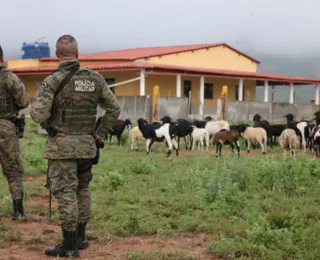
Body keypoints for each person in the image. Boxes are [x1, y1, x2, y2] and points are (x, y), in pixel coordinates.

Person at [30, 35, 121, 258]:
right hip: (87, 146)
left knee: (66, 193)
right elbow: (114, 109)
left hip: (62, 147)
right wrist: (100, 135)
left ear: (56, 55)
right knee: (83, 189)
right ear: (78, 53)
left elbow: (38, 114)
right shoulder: (96, 79)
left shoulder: (53, 80)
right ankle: (80, 237)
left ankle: (69, 246)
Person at [0, 45, 29, 221]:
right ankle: (18, 211)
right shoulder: (10, 78)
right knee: (13, 170)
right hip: (6, 127)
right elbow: (24, 101)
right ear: (2, 57)